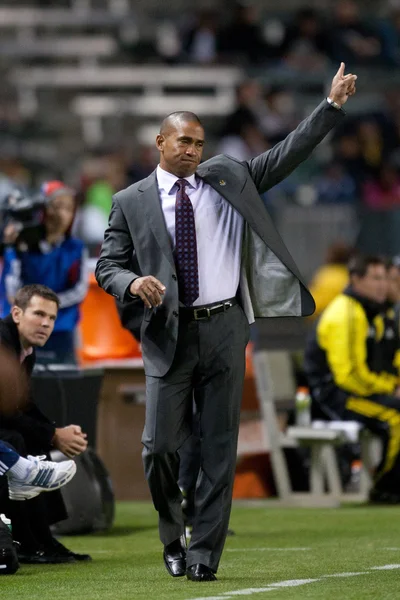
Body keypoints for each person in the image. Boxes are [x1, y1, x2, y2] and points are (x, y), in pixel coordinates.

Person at [95, 63, 357, 581]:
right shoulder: (130, 202)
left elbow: (285, 155)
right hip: (167, 332)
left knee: (219, 446)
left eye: (199, 141)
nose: (192, 149)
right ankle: (173, 533)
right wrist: (130, 284)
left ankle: (203, 555)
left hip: (225, 327)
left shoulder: (229, 176)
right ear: (160, 142)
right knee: (159, 447)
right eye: (183, 141)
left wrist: (330, 107)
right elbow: (108, 264)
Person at [0, 284, 90, 563]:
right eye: (38, 314)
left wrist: (55, 432)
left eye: (51, 318)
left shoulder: (24, 348)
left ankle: (42, 538)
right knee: (15, 440)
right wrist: (54, 435)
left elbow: (22, 404)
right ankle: (24, 540)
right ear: (16, 313)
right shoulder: (2, 344)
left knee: (33, 438)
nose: (46, 323)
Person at [304, 255, 400, 503]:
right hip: (333, 398)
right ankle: (387, 487)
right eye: (376, 278)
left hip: (352, 392)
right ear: (356, 279)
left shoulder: (370, 312)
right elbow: (348, 376)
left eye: (384, 278)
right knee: (395, 416)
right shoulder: (346, 313)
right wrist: (391, 388)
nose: (382, 285)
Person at [1, 180, 88, 364]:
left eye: (68, 208)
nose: (61, 214)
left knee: (65, 385)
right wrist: (11, 247)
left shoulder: (76, 248)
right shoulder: (22, 245)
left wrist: (48, 306)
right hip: (22, 329)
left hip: (62, 328)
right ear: (42, 210)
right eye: (56, 206)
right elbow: (11, 291)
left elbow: (80, 290)